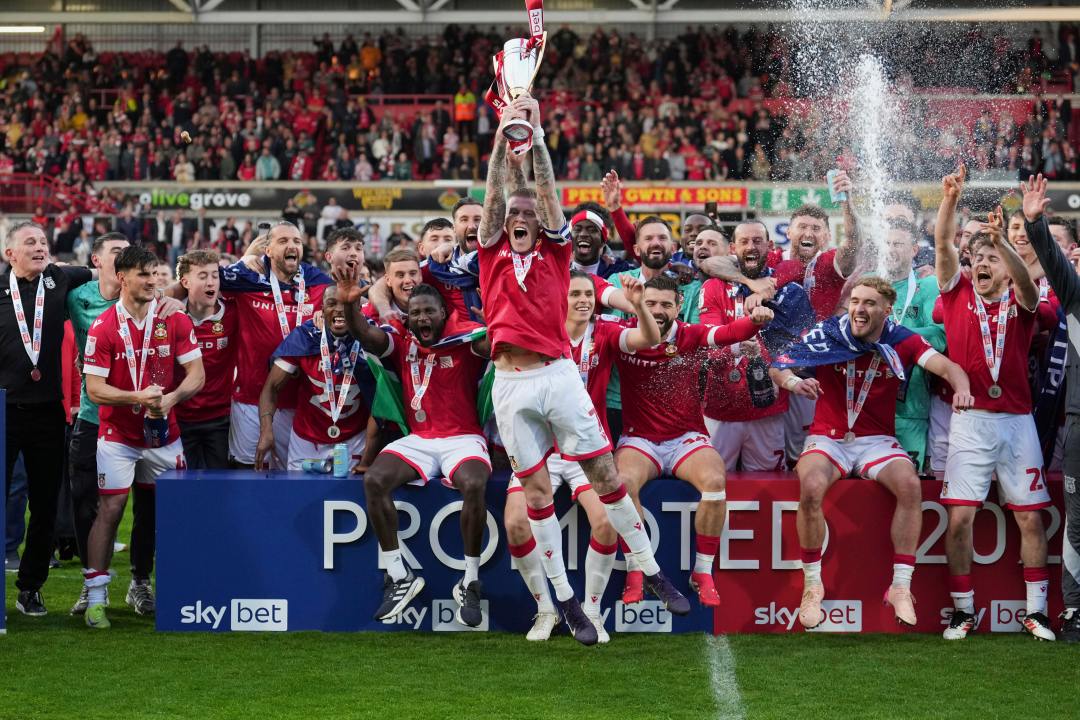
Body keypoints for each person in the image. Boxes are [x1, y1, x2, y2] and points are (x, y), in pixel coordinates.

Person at [476, 92, 688, 646]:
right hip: (510, 383)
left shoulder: (556, 252)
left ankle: (651, 567)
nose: (520, 218)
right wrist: (503, 139)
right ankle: (563, 599)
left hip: (556, 375)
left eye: (528, 215)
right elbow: (498, 191)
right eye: (513, 215)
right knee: (536, 493)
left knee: (605, 475)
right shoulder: (490, 251)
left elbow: (544, 191)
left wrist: (538, 135)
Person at [771, 277, 972, 630]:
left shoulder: (902, 339)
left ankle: (900, 586)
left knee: (910, 486)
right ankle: (813, 584)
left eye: (869, 304)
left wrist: (963, 389)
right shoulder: (829, 332)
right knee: (812, 485)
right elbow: (778, 364)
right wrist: (794, 382)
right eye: (855, 301)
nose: (859, 310)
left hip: (876, 439)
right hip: (828, 437)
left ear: (887, 310)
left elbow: (948, 366)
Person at [934, 166, 1056, 641]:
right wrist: (950, 199)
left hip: (1017, 423)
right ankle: (963, 610)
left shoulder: (1026, 302)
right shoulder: (957, 291)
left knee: (1029, 516)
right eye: (977, 257)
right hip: (969, 422)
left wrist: (1003, 241)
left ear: (1006, 264)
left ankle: (1037, 612)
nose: (980, 263)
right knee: (960, 516)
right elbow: (945, 247)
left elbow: (1026, 286)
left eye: (990, 258)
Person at [505, 270, 659, 642]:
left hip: (588, 453)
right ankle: (546, 611)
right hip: (541, 451)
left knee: (607, 522)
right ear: (560, 298)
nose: (583, 300)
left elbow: (649, 338)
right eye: (574, 293)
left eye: (588, 294)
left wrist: (638, 305)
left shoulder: (604, 332)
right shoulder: (537, 334)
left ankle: (591, 610)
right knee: (515, 524)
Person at [337, 269, 492, 628]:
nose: (422, 318)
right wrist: (349, 307)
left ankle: (470, 580)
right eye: (416, 313)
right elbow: (367, 335)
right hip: (420, 440)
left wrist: (495, 324)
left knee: (473, 484)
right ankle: (398, 574)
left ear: (443, 313)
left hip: (462, 437)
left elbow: (494, 347)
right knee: (374, 480)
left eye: (429, 312)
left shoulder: (464, 338)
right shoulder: (402, 340)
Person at [615, 275, 773, 608]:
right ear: (638, 303)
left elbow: (730, 332)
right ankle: (636, 570)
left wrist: (754, 321)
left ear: (678, 306)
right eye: (650, 303)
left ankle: (702, 572)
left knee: (716, 482)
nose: (657, 310)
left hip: (686, 437)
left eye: (665, 304)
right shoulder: (623, 335)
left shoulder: (690, 335)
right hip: (639, 439)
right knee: (623, 485)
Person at [81, 244, 205, 629]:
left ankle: (161, 589)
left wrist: (169, 399)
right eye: (144, 275)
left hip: (165, 436)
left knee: (166, 512)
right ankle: (97, 597)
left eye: (156, 275)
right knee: (111, 511)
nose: (153, 281)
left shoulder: (175, 319)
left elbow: (197, 375)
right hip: (118, 435)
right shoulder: (103, 327)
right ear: (122, 277)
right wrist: (137, 397)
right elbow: (94, 389)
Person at [1, 221, 93, 616]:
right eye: (30, 242)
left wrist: (170, 293)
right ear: (10, 254)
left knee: (43, 505)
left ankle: (30, 587)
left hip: (48, 413)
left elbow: (108, 273)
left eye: (43, 241)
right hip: (3, 412)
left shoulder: (60, 278)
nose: (40, 247)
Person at [214, 221, 333, 468]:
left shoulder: (318, 281)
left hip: (301, 403)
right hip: (250, 399)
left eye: (296, 241)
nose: (292, 246)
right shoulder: (248, 277)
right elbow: (204, 278)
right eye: (283, 241)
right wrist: (245, 258)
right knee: (249, 476)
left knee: (295, 480)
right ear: (267, 250)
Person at [1018, 175, 1080, 642]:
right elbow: (1055, 268)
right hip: (1079, 424)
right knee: (1077, 520)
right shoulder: (1075, 296)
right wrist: (1035, 223)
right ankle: (1075, 612)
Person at [699, 221, 808, 472]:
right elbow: (709, 340)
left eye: (758, 241)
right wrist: (739, 344)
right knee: (713, 482)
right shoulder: (713, 287)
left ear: (770, 246)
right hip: (720, 409)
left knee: (767, 484)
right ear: (733, 248)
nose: (752, 246)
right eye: (745, 242)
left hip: (767, 411)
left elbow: (797, 351)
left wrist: (766, 351)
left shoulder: (790, 291)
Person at [256, 285, 375, 471]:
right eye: (331, 303)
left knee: (347, 497)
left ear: (359, 309)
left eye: (346, 304)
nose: (339, 309)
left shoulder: (372, 338)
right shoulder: (305, 337)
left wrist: (370, 452)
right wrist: (265, 431)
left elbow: (382, 401)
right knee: (300, 497)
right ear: (322, 310)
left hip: (354, 438)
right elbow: (271, 388)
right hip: (306, 438)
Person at [882, 217, 946, 472]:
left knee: (909, 482)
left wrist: (891, 335)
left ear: (914, 250)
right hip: (867, 407)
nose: (891, 249)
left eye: (898, 243)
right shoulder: (869, 283)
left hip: (910, 408)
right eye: (886, 243)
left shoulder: (926, 285)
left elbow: (940, 337)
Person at [175, 250, 236, 469]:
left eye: (214, 275)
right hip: (180, 418)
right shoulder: (170, 316)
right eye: (202, 276)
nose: (211, 282)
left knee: (218, 491)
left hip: (220, 420)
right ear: (185, 282)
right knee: (183, 490)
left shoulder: (234, 313)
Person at [362, 246, 420, 324]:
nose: (408, 280)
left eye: (413, 274)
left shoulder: (435, 307)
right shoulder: (368, 314)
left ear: (420, 275)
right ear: (388, 280)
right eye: (400, 275)